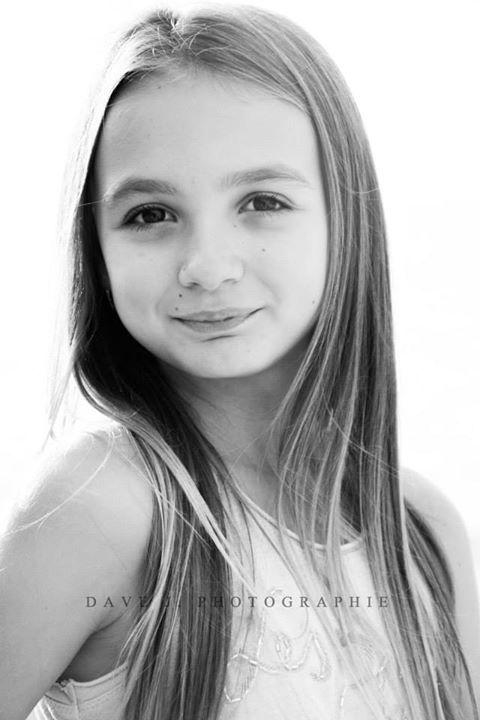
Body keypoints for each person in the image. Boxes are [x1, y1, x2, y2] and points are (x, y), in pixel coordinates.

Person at [1, 5, 478, 720]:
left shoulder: (422, 530)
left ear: (346, 221)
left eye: (262, 201)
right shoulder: (100, 509)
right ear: (95, 249)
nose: (207, 266)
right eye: (150, 214)